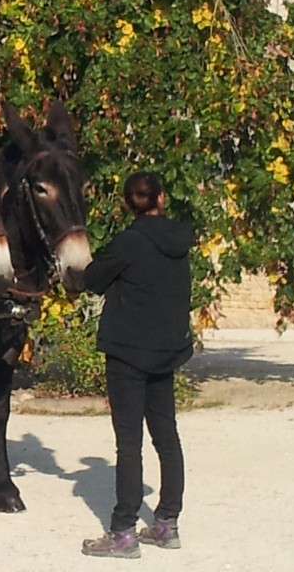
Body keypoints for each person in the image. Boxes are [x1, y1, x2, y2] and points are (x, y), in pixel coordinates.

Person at [80, 171, 194, 559]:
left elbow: (91, 279)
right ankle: (167, 523)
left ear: (127, 203)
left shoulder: (127, 243)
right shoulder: (181, 240)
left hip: (128, 353)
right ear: (162, 197)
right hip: (167, 351)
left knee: (129, 444)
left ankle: (123, 531)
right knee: (167, 437)